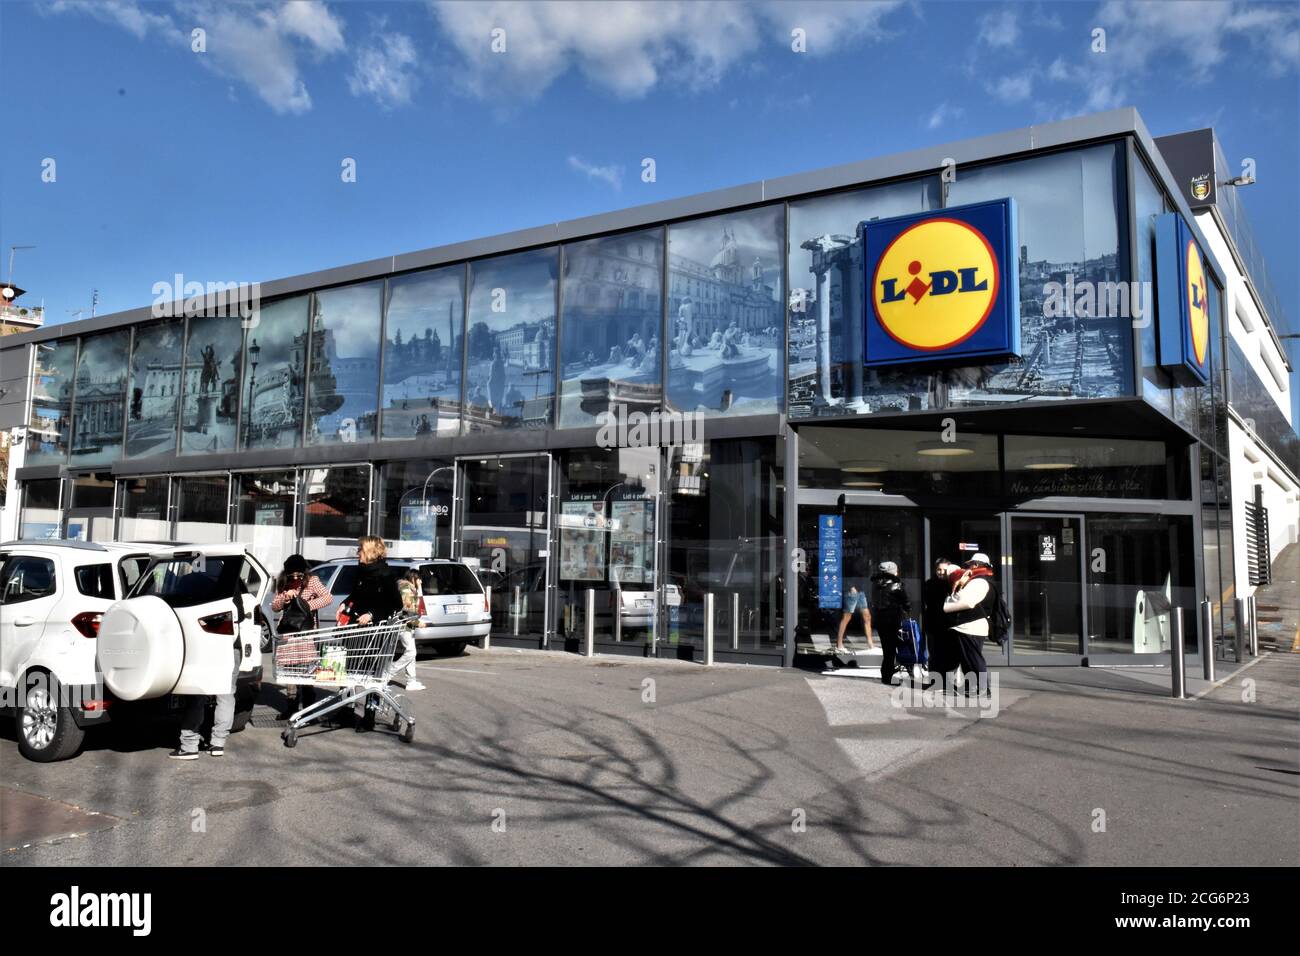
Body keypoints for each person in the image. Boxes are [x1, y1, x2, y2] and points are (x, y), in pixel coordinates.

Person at [344, 536, 404, 731]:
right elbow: (355, 594)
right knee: (348, 671)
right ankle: (346, 709)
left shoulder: (385, 574)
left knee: (372, 676)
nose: (357, 553)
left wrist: (371, 614)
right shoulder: (361, 571)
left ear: (370, 551)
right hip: (356, 630)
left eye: (360, 549)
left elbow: (395, 604)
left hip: (375, 632)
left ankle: (369, 716)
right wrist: (345, 604)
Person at [271, 554, 332, 712]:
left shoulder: (312, 581)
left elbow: (327, 598)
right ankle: (291, 706)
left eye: (299, 573)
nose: (296, 577)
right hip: (288, 630)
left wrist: (304, 605)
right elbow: (275, 606)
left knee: (306, 668)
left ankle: (308, 707)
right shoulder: (284, 583)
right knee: (289, 668)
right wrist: (285, 598)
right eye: (293, 574)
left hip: (306, 631)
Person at [941, 553, 994, 697]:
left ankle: (983, 689)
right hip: (970, 626)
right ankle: (973, 687)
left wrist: (949, 600)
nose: (968, 567)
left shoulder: (979, 581)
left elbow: (966, 601)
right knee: (968, 659)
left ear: (976, 565)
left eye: (970, 564)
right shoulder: (979, 580)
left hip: (971, 626)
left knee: (973, 659)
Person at [870, 561, 911, 685]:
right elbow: (906, 602)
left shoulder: (875, 583)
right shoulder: (897, 585)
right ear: (893, 571)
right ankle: (888, 675)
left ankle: (887, 673)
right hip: (893, 621)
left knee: (887, 649)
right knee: (892, 649)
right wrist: (907, 610)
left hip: (880, 621)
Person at [392, 568, 426, 692]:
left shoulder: (410, 588)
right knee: (411, 652)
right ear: (413, 578)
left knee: (412, 652)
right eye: (419, 579)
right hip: (404, 623)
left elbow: (419, 605)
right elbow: (407, 609)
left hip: (408, 623)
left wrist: (419, 587)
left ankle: (411, 681)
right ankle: (390, 671)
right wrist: (417, 622)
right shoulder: (406, 588)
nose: (420, 581)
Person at [923, 557, 956, 672]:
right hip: (933, 624)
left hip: (948, 625)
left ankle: (946, 682)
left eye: (944, 570)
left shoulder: (953, 584)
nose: (941, 572)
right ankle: (935, 681)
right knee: (934, 654)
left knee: (948, 655)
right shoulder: (929, 584)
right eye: (939, 569)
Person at [835, 582, 874, 654]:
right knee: (846, 617)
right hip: (852, 591)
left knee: (867, 617)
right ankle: (839, 646)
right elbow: (846, 572)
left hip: (860, 591)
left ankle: (871, 645)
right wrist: (851, 586)